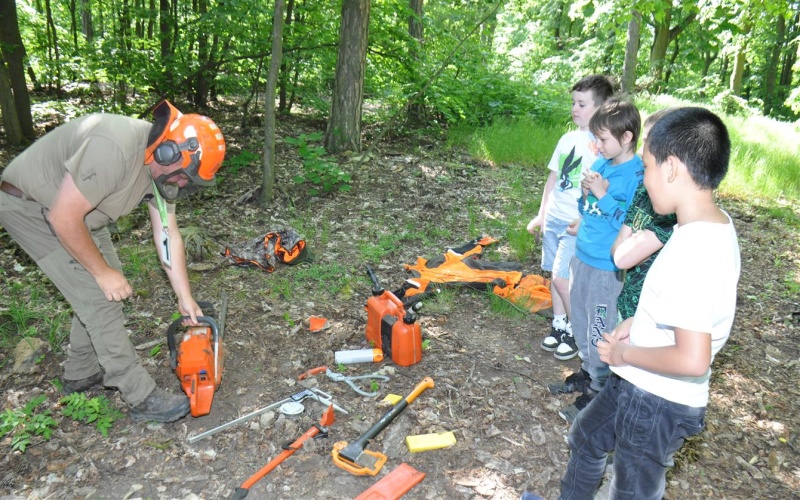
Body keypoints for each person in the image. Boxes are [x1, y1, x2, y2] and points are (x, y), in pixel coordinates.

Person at [0, 100, 226, 423]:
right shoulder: (114, 149)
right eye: (184, 177)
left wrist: (185, 298)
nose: (183, 184)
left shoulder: (161, 173)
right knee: (100, 293)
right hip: (31, 207)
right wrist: (101, 273)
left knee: (108, 286)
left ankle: (80, 372)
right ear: (168, 152)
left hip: (81, 213)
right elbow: (63, 218)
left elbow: (168, 234)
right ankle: (139, 395)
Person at [556, 107, 740, 500]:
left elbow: (693, 359)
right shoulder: (707, 223)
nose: (645, 177)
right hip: (641, 379)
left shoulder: (696, 249)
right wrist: (638, 323)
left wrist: (623, 355)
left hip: (658, 397)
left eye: (649, 166)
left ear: (672, 168)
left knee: (632, 491)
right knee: (586, 436)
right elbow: (683, 308)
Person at [548, 98, 643, 424]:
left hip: (607, 265)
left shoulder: (635, 175)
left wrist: (601, 194)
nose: (597, 145)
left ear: (626, 137)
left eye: (603, 139)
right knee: (583, 321)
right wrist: (585, 204)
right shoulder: (603, 163)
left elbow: (628, 223)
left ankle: (599, 389)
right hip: (583, 254)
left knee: (601, 327)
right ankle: (589, 372)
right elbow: (590, 204)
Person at [527, 75, 614, 361]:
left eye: (582, 104)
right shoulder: (567, 139)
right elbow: (553, 178)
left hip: (574, 225)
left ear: (601, 108)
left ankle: (579, 332)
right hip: (553, 218)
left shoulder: (601, 147)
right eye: (573, 103)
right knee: (554, 274)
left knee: (563, 278)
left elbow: (601, 190)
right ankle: (559, 324)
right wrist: (541, 214)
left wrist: (586, 220)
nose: (575, 109)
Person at [612, 108, 677, 322]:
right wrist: (631, 245)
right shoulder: (643, 191)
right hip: (627, 304)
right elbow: (618, 249)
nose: (641, 150)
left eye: (648, 141)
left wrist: (629, 243)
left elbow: (623, 256)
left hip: (651, 317)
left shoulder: (673, 215)